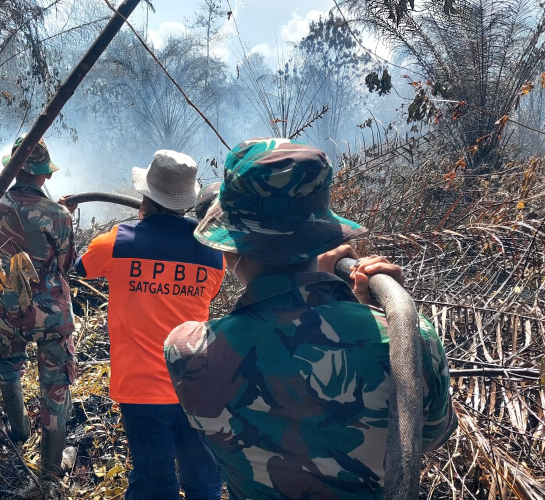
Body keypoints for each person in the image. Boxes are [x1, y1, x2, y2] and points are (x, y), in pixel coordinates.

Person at [164, 137, 456, 500]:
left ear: (230, 248)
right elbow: (428, 437)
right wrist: (367, 307)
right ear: (321, 231)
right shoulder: (412, 338)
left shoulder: (187, 352)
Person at [68, 151, 224, 500]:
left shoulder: (118, 242)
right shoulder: (213, 252)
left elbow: (78, 268)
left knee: (154, 485)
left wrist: (63, 219)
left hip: (142, 389)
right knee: (204, 484)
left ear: (146, 196)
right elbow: (207, 296)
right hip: (196, 386)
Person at [0, 135, 76, 479]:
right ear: (44, 175)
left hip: (8, 310)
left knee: (8, 366)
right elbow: (65, 264)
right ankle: (50, 468)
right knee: (54, 384)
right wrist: (63, 213)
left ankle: (19, 431)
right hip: (50, 315)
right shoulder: (58, 215)